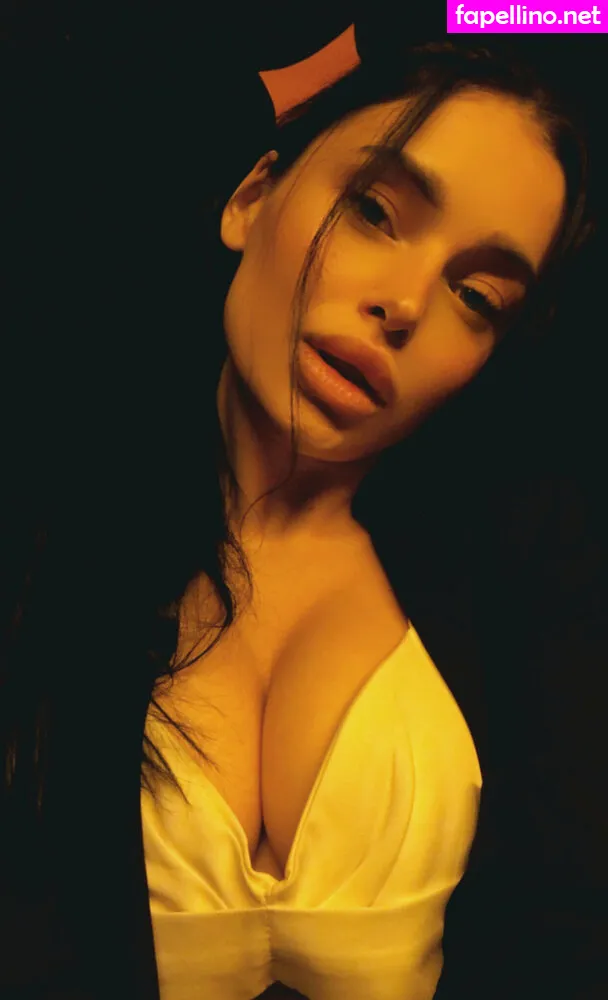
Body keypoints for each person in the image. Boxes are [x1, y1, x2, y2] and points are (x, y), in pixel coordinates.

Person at [1, 11, 606, 1000]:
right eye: (374, 210)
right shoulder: (44, 509)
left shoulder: (525, 572)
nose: (405, 303)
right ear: (252, 197)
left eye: (477, 297)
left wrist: (541, 10)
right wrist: (410, 18)